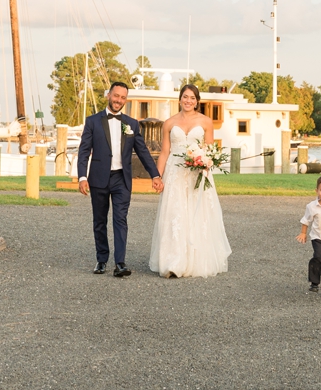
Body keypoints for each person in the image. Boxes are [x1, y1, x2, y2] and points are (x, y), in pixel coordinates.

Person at [77, 82, 162, 278]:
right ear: (108, 95)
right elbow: (83, 151)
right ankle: (101, 259)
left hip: (121, 179)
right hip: (98, 178)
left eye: (123, 98)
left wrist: (155, 174)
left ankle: (120, 263)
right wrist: (82, 176)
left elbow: (142, 151)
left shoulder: (131, 124)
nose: (119, 101)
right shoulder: (93, 121)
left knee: (120, 219)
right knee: (99, 220)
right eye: (116, 96)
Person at [149, 84, 232, 278]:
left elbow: (211, 150)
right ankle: (173, 261)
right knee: (175, 213)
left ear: (197, 101)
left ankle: (197, 260)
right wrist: (157, 176)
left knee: (197, 214)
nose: (188, 101)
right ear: (180, 99)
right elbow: (164, 152)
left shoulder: (205, 122)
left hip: (197, 172)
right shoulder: (169, 123)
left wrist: (205, 162)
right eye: (185, 97)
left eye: (192, 98)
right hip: (175, 172)